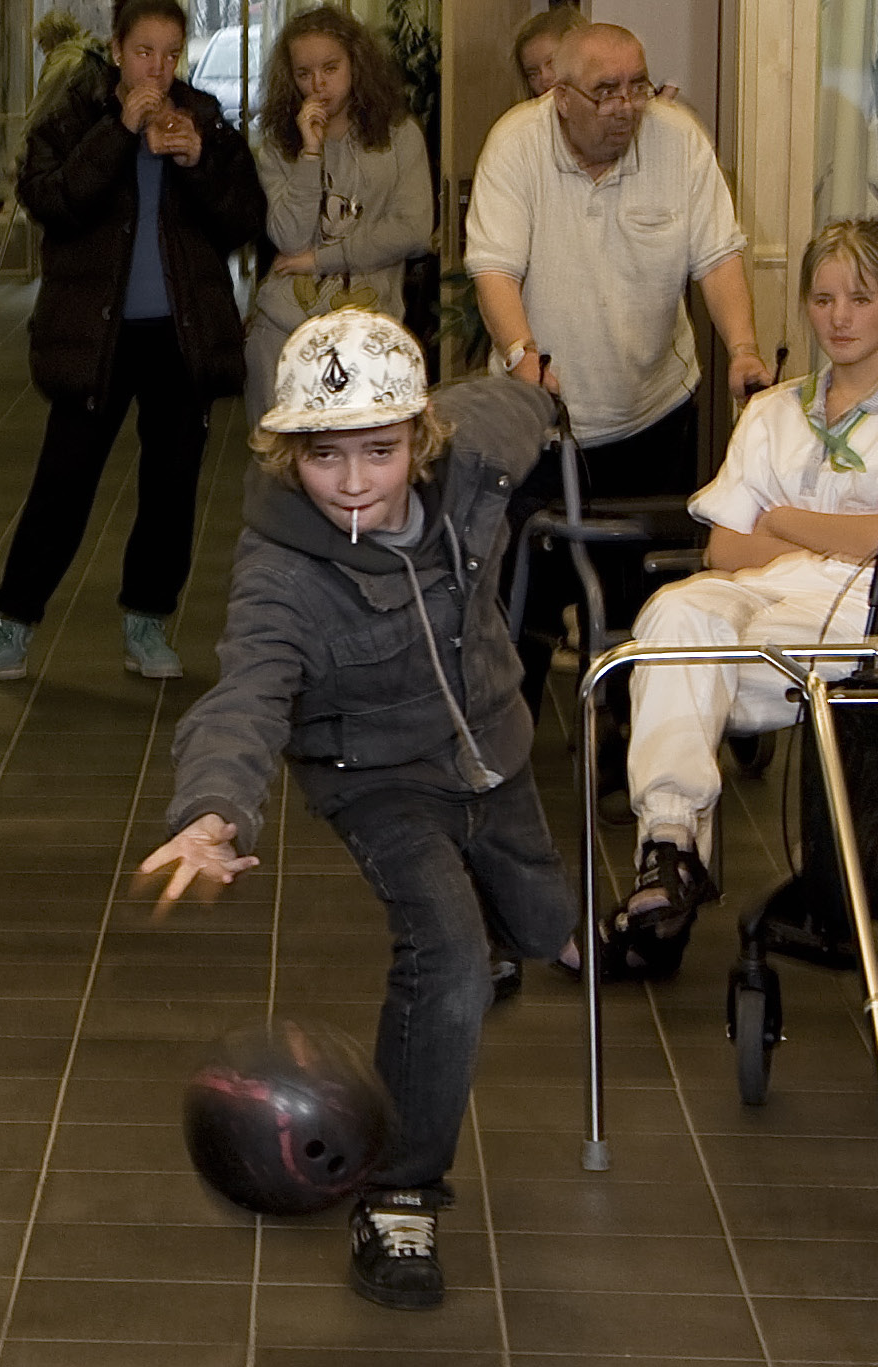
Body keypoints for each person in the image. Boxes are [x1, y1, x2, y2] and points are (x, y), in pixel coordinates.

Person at [138, 310, 579, 1311]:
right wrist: (212, 811)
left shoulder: (477, 445)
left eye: (377, 452)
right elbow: (244, 694)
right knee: (448, 960)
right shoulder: (280, 571)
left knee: (551, 925)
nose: (350, 481)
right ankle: (399, 1192)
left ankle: (528, 930)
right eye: (321, 456)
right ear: (286, 448)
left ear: (420, 439)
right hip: (375, 776)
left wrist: (540, 383)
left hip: (494, 744)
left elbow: (526, 401)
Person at [601, 215, 878, 979]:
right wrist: (832, 531)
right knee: (676, 613)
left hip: (872, 607)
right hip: (759, 591)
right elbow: (723, 546)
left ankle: (666, 886)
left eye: (860, 297)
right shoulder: (774, 409)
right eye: (822, 299)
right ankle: (671, 849)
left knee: (683, 668)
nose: (839, 317)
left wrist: (782, 519)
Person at [0, 0, 264, 687]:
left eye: (172, 53)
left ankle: (148, 621)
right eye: (145, 52)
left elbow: (242, 218)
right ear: (116, 50)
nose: (159, 68)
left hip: (180, 333)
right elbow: (52, 201)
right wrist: (118, 133)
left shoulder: (203, 117)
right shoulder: (75, 115)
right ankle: (10, 627)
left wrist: (199, 159)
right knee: (63, 481)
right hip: (97, 335)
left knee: (172, 486)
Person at [467, 22, 767, 704]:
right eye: (606, 91)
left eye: (636, 85)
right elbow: (494, 270)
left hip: (654, 410)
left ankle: (633, 744)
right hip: (542, 419)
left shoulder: (678, 139)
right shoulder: (516, 143)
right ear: (560, 94)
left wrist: (744, 346)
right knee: (527, 595)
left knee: (644, 597)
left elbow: (716, 256)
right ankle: (510, 739)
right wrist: (523, 356)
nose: (627, 105)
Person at [244, 5, 431, 420]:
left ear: (356, 64)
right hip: (284, 331)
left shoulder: (399, 136)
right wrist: (310, 153)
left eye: (330, 68)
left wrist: (321, 259)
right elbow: (289, 238)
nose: (318, 84)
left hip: (370, 334)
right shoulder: (278, 144)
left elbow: (414, 231)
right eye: (303, 73)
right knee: (278, 473)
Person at [513, 4, 586, 99]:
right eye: (533, 74)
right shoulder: (524, 113)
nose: (544, 78)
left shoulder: (608, 110)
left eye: (552, 63)